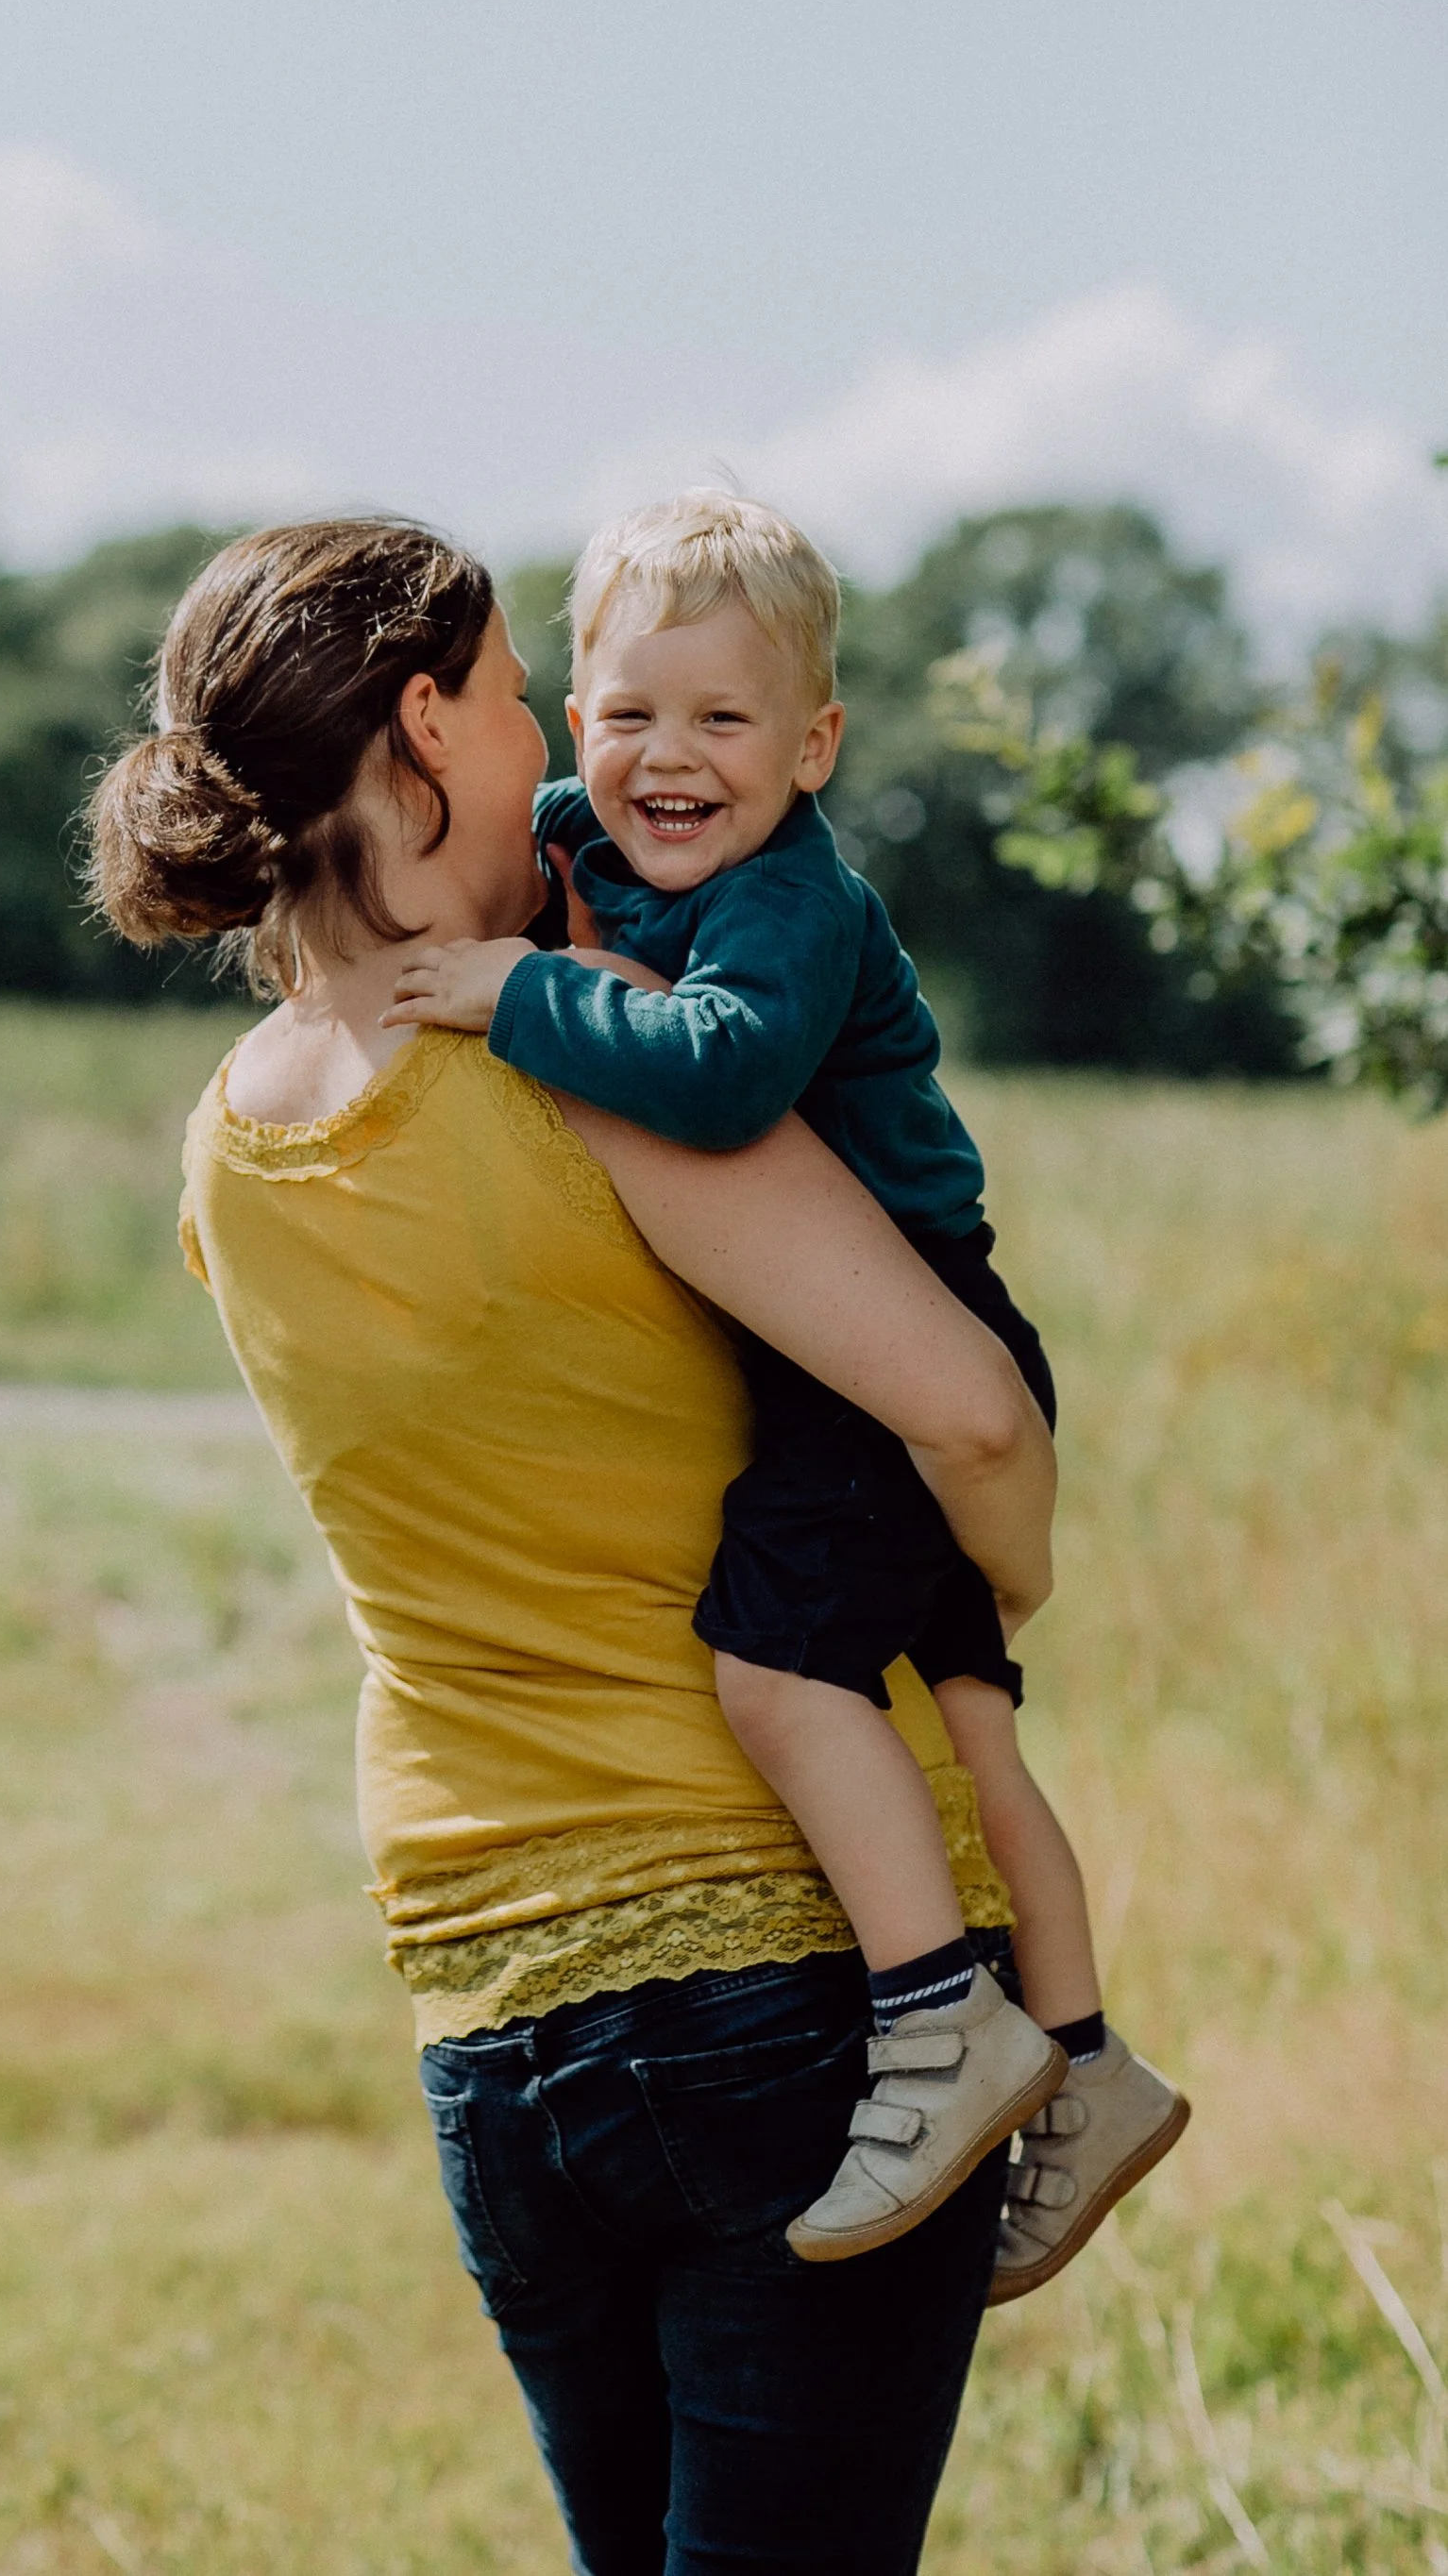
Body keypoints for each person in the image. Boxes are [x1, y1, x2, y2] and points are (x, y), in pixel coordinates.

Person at [86, 514, 1060, 2576]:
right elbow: (970, 1410)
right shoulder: (595, 1051)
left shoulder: (228, 1141)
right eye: (527, 695)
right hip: (797, 1984)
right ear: (427, 724)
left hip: (485, 2004)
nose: (558, 748)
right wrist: (1006, 1581)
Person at [382, 493, 1188, 2289]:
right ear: (574, 721)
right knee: (970, 1727)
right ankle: (1087, 2063)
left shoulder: (789, 901)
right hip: (874, 1337)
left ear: (815, 746)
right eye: (625, 714)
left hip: (888, 1342)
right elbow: (531, 832)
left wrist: (520, 991)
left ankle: (938, 2020)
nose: (666, 758)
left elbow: (726, 1071)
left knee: (771, 1670)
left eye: (724, 720)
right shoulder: (599, 826)